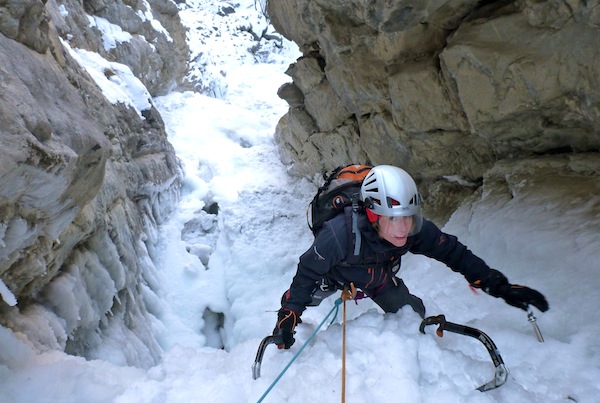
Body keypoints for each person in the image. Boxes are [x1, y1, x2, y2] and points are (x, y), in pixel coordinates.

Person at [272, 165, 549, 349]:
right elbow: (308, 271)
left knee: (411, 317)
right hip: (332, 273)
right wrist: (289, 315)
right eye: (394, 220)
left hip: (377, 277)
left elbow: (453, 252)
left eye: (408, 218)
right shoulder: (338, 235)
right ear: (372, 214)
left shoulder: (411, 229)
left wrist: (495, 284)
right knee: (308, 295)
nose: (404, 228)